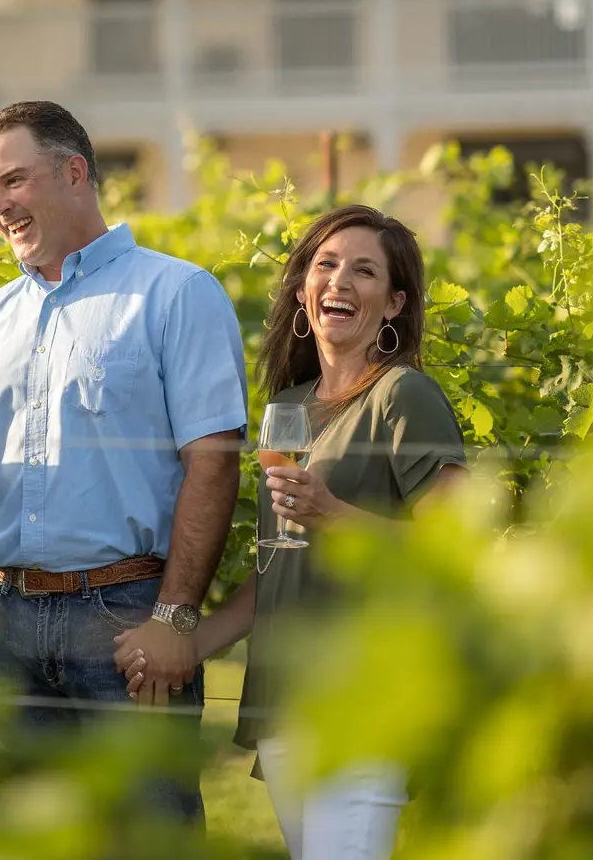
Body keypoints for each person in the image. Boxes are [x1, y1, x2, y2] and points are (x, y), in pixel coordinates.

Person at [0, 100, 248, 827]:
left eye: (13, 182)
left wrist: (175, 617)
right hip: (4, 620)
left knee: (149, 836)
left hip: (125, 619)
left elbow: (215, 465)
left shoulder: (176, 294)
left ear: (74, 173)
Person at [158, 203, 468, 860]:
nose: (340, 282)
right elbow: (281, 560)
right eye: (325, 266)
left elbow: (454, 551)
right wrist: (194, 641)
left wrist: (335, 516)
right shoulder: (287, 411)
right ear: (302, 288)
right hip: (284, 703)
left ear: (393, 303)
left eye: (364, 271)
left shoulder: (402, 396)